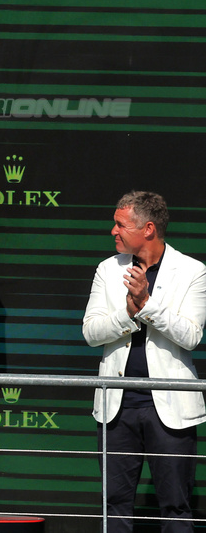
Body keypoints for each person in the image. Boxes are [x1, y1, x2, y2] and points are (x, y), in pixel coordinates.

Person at [83, 191, 206, 533]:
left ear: (148, 229)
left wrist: (147, 305)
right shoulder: (108, 270)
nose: (113, 231)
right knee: (115, 505)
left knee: (176, 505)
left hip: (171, 407)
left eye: (120, 225)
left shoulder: (192, 271)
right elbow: (91, 332)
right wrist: (128, 313)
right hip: (116, 407)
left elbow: (192, 335)